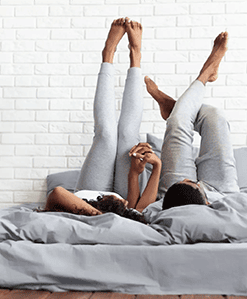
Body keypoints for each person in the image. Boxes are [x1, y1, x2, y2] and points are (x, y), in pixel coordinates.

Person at [130, 31, 247, 232]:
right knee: (214, 117)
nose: (187, 178)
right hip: (224, 193)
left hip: (173, 198)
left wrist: (158, 170)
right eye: (189, 181)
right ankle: (189, 92)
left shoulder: (164, 215)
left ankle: (199, 82)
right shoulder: (225, 214)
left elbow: (138, 210)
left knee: (177, 123)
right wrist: (222, 212)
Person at [41, 18, 161, 223]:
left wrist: (101, 217)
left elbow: (57, 193)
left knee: (105, 134)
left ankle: (108, 54)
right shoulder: (128, 222)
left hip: (89, 198)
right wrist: (154, 167)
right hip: (125, 201)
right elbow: (137, 210)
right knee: (127, 134)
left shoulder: (94, 220)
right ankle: (135, 55)